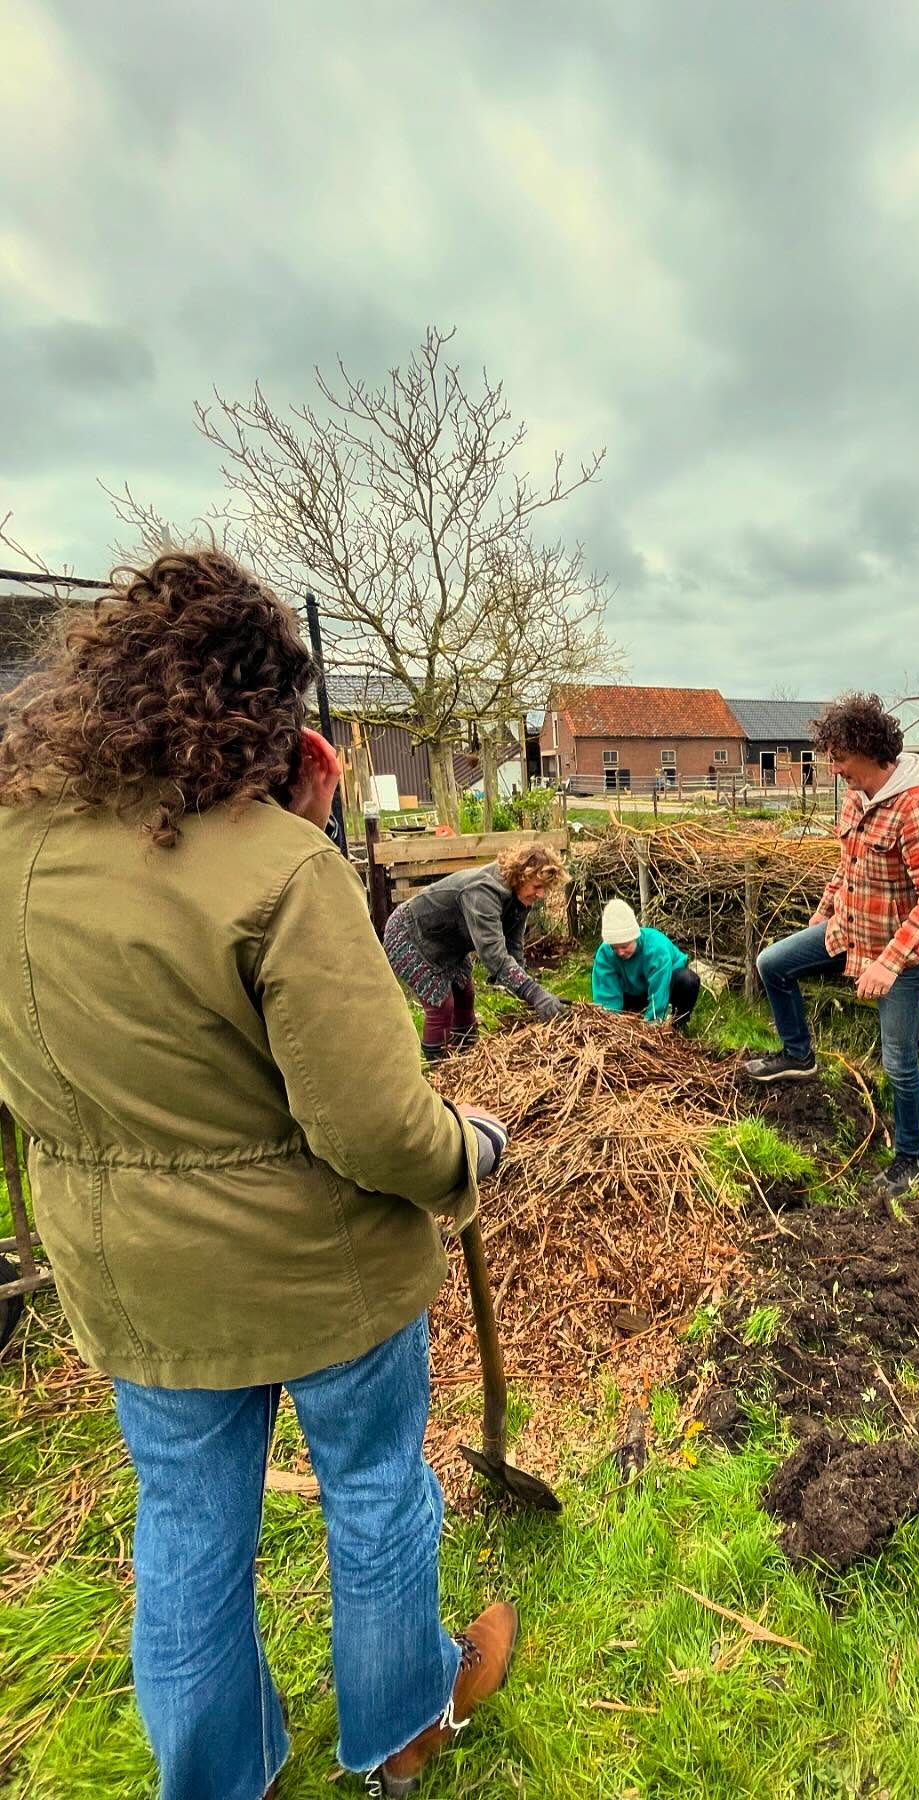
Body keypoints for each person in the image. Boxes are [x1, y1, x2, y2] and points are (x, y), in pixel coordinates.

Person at [0, 549, 520, 1800]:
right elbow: (376, 1130)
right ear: (262, 713)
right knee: (376, 1490)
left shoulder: (14, 848)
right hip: (316, 1274)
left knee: (185, 1529)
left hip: (131, 1278)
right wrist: (472, 1152)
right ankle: (400, 1730)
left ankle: (221, 1779)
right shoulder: (281, 869)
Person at [742, 692, 919, 1201]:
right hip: (847, 933)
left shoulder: (916, 809)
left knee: (898, 1060)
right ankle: (798, 1055)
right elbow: (847, 868)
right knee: (772, 963)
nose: (835, 769)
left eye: (840, 758)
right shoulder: (856, 800)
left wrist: (890, 962)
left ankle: (911, 1157)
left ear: (867, 749)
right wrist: (821, 915)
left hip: (898, 955)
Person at [384, 844, 569, 1058]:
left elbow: (513, 948)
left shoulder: (519, 897)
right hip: (409, 934)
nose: (541, 894)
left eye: (545, 888)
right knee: (441, 1005)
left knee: (465, 996)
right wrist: (536, 995)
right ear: (521, 876)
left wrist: (532, 996)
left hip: (448, 942)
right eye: (537, 886)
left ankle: (468, 1060)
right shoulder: (483, 892)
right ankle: (440, 1072)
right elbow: (494, 955)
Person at [591, 897, 701, 1031]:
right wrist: (611, 1026)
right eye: (615, 947)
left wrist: (652, 1025)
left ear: (634, 937)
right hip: (631, 992)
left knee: (688, 980)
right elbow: (606, 997)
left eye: (625, 946)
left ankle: (678, 1025)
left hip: (666, 985)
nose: (620, 952)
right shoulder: (605, 953)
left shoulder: (655, 947)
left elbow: (659, 989)